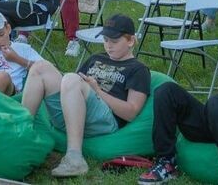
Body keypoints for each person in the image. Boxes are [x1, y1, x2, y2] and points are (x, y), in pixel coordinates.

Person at [21, 14, 150, 178]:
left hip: (105, 119)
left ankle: (74, 158)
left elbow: (131, 113)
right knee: (40, 67)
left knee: (70, 78)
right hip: (75, 114)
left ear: (131, 41)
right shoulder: (96, 58)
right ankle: (20, 131)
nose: (108, 45)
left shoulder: (138, 69)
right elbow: (71, 89)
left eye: (114, 41)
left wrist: (98, 91)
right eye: (105, 40)